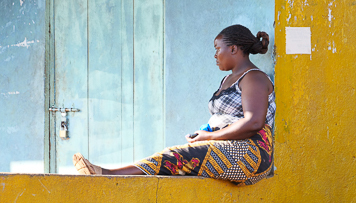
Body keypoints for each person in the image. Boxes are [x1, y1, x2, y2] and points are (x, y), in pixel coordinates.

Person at [73, 24, 275, 186]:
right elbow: (225, 119)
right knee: (177, 166)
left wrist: (210, 136)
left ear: (233, 49)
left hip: (252, 154)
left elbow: (254, 121)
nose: (215, 55)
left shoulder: (254, 78)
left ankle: (108, 175)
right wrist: (203, 133)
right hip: (230, 147)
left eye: (217, 49)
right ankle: (110, 174)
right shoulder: (228, 80)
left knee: (176, 156)